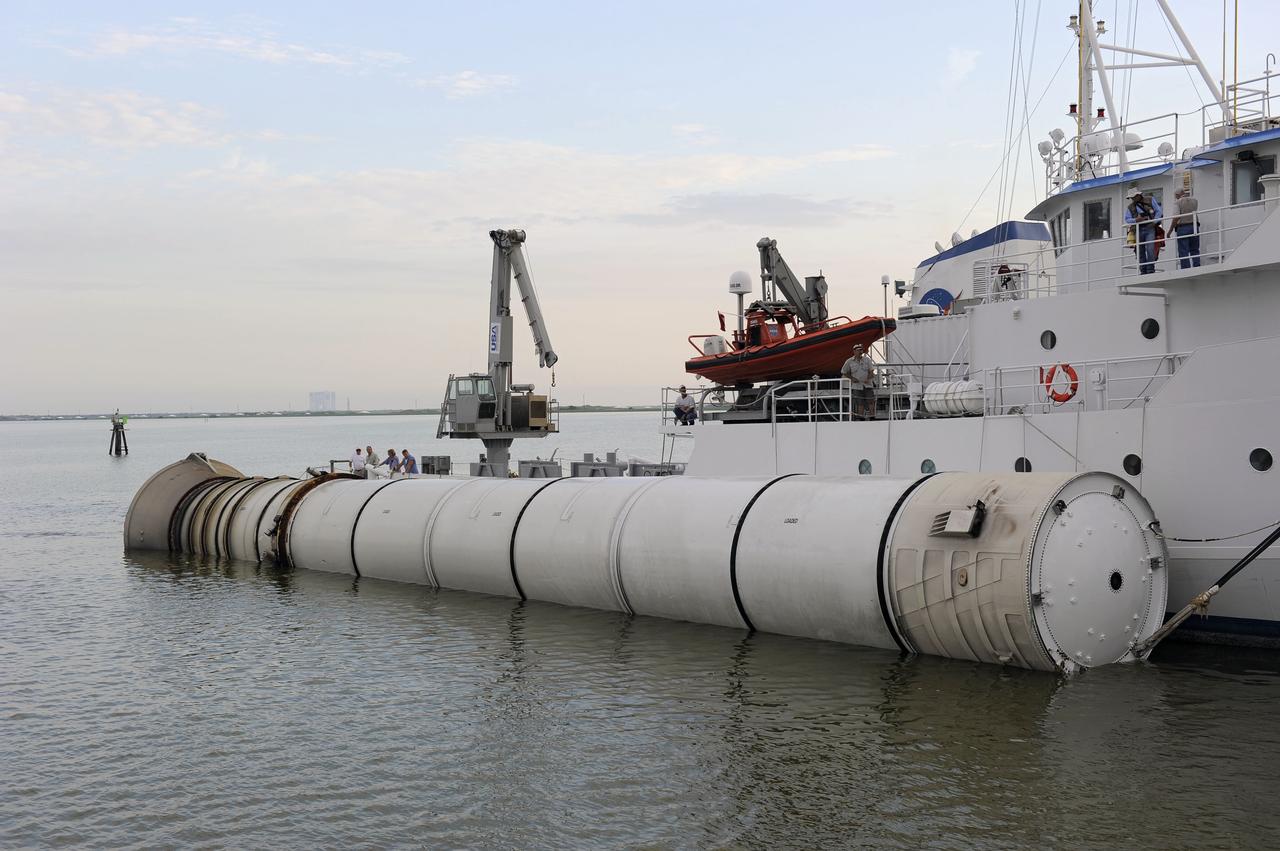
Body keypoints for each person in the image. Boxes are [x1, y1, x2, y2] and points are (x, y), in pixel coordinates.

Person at [1124, 189, 1163, 275]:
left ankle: (1150, 269)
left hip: (1150, 228)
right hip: (1138, 229)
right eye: (1131, 197)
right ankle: (1143, 270)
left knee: (1150, 249)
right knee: (1140, 250)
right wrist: (1136, 220)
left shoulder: (1150, 199)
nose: (1133, 199)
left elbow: (1159, 211)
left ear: (1138, 195)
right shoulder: (1130, 207)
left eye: (1134, 197)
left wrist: (1154, 221)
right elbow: (1127, 219)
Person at [840, 343, 877, 420]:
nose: (861, 352)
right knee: (859, 402)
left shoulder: (867, 360)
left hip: (868, 385)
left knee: (871, 400)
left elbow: (871, 371)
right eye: (859, 350)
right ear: (854, 351)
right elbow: (844, 371)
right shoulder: (849, 361)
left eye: (861, 350)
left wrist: (868, 378)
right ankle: (861, 417)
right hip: (857, 386)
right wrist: (852, 378)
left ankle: (872, 416)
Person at [1171, 187, 1201, 269]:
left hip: (1183, 227)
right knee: (1195, 249)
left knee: (1183, 251)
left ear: (1177, 195)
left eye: (1175, 195)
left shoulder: (1177, 203)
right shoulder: (1195, 201)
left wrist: (1170, 231)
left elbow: (1176, 217)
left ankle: (1185, 268)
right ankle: (1197, 265)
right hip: (1194, 226)